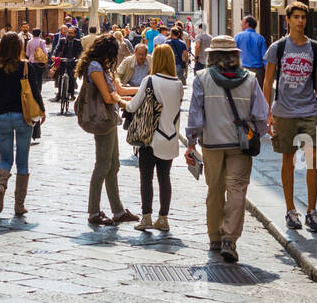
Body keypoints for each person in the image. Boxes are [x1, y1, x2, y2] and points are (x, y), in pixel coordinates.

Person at [186, 35, 269, 262]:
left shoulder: (202, 78)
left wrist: (191, 141)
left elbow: (195, 115)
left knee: (214, 189)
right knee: (237, 190)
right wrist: (254, 134)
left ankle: (214, 236)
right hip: (240, 145)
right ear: (235, 56)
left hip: (212, 144)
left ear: (211, 56)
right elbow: (262, 115)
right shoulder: (250, 79)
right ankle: (229, 239)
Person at [264, 2, 317, 233]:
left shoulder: (315, 48)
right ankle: (291, 210)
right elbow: (268, 80)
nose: (301, 21)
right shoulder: (278, 47)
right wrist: (267, 113)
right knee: (287, 161)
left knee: (313, 160)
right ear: (288, 20)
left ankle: (312, 211)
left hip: (309, 111)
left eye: (304, 17)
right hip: (284, 112)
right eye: (297, 17)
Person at [77, 34, 139, 227]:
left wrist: (143, 87)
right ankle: (93, 211)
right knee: (103, 165)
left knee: (113, 165)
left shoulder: (102, 67)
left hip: (109, 120)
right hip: (101, 120)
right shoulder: (95, 67)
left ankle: (118, 210)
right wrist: (125, 102)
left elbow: (119, 90)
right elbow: (108, 96)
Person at [125, 43, 186, 232]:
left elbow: (133, 106)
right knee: (164, 178)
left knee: (146, 178)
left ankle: (146, 217)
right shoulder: (178, 85)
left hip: (149, 138)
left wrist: (121, 102)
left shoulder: (149, 80)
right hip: (170, 138)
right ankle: (163, 218)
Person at [0, 32, 37, 215]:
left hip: (2, 118)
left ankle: (0, 186)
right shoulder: (26, 66)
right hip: (23, 117)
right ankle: (19, 205)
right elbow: (35, 93)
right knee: (22, 162)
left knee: (5, 159)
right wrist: (41, 112)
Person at [235, 16, 269, 89]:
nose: (241, 25)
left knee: (243, 94)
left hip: (242, 70)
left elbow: (233, 54)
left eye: (242, 23)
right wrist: (268, 72)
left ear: (247, 24)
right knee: (257, 94)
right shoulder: (260, 38)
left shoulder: (238, 36)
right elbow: (265, 57)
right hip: (257, 72)